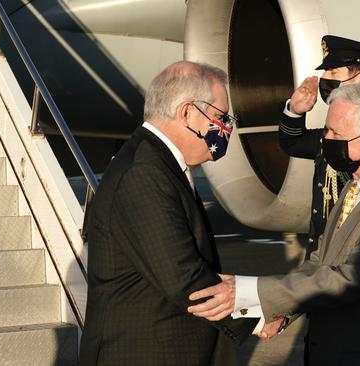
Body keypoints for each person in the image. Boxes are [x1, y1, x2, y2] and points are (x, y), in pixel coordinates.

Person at [188, 83, 360, 365]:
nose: (324, 140)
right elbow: (321, 262)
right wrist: (282, 311)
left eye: (334, 133)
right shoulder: (356, 186)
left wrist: (246, 290)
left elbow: (347, 279)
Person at [79, 61, 258, 366]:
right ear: (187, 112)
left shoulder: (156, 162)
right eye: (218, 117)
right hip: (144, 353)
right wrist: (257, 314)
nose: (224, 129)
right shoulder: (144, 173)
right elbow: (182, 275)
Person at [279, 34, 360, 258]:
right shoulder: (331, 135)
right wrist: (295, 110)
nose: (324, 79)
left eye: (333, 72)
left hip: (356, 257)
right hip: (323, 254)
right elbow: (292, 144)